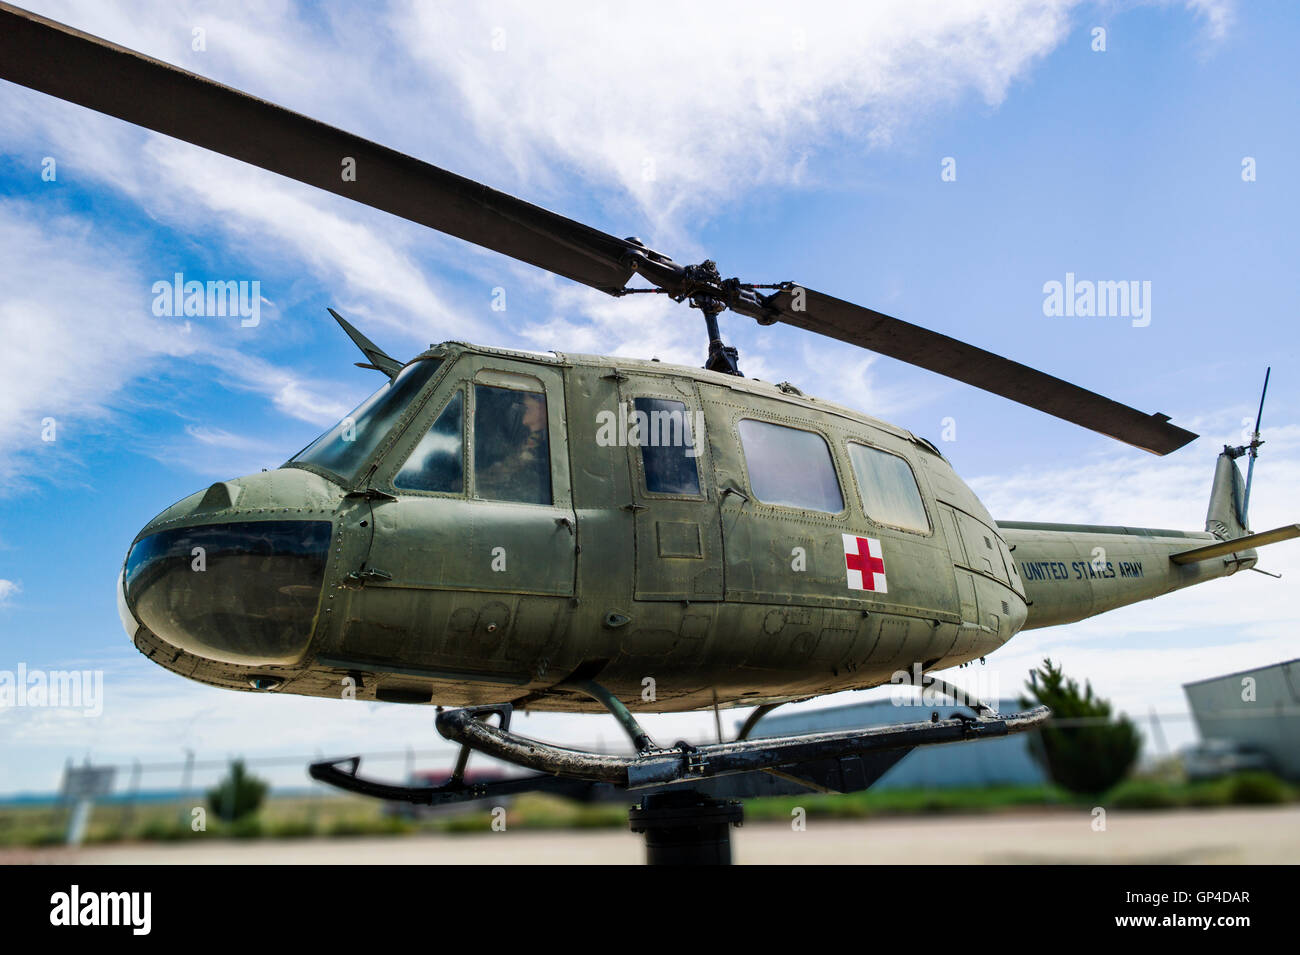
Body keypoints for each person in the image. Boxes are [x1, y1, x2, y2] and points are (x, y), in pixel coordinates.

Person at [475, 387, 551, 504]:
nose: (524, 421)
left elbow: (514, 477)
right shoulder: (531, 439)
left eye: (529, 409)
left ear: (544, 409)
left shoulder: (542, 450)